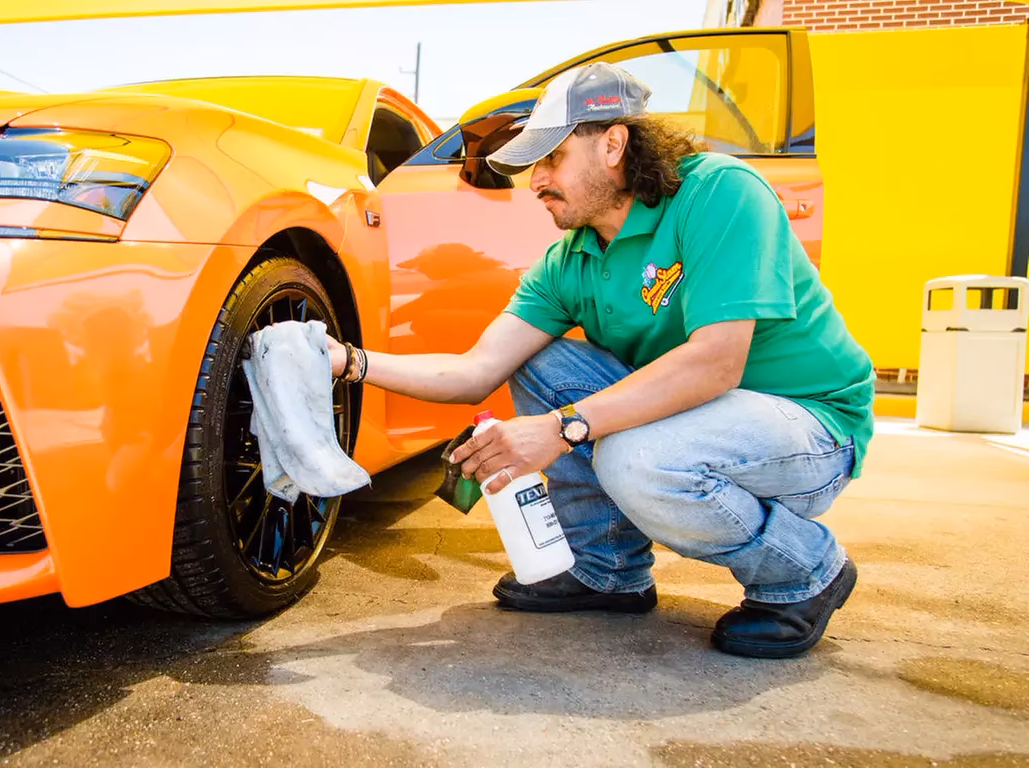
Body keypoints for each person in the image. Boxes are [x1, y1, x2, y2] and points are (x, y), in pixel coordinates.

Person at [326, 61, 874, 659]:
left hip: (808, 423)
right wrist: (349, 361)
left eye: (551, 159)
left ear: (613, 143)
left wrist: (562, 429)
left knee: (637, 461)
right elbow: (474, 371)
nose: (535, 182)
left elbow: (716, 363)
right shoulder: (571, 260)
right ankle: (608, 570)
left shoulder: (718, 193)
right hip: (710, 413)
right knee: (539, 361)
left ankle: (805, 571)